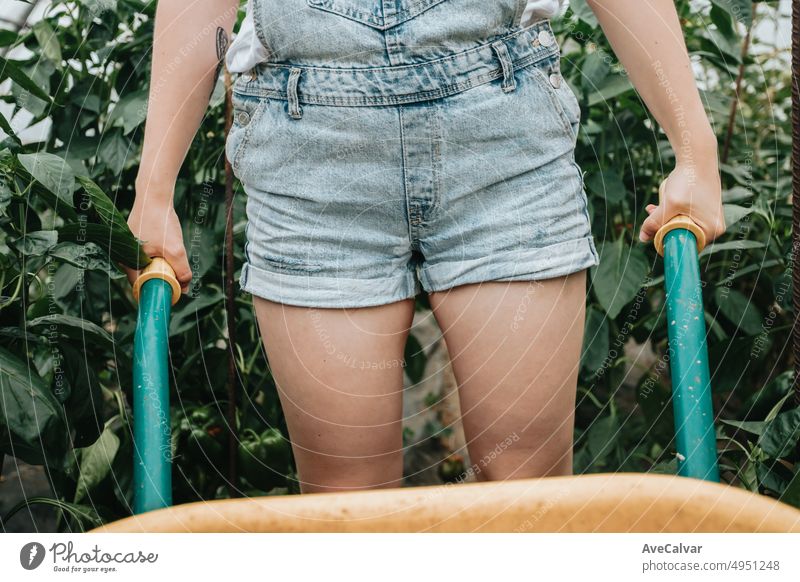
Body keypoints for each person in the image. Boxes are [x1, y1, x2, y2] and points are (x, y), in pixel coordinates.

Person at [127, 0, 726, 494]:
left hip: (499, 135)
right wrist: (153, 188)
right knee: (348, 504)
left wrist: (696, 150)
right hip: (314, 153)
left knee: (527, 490)